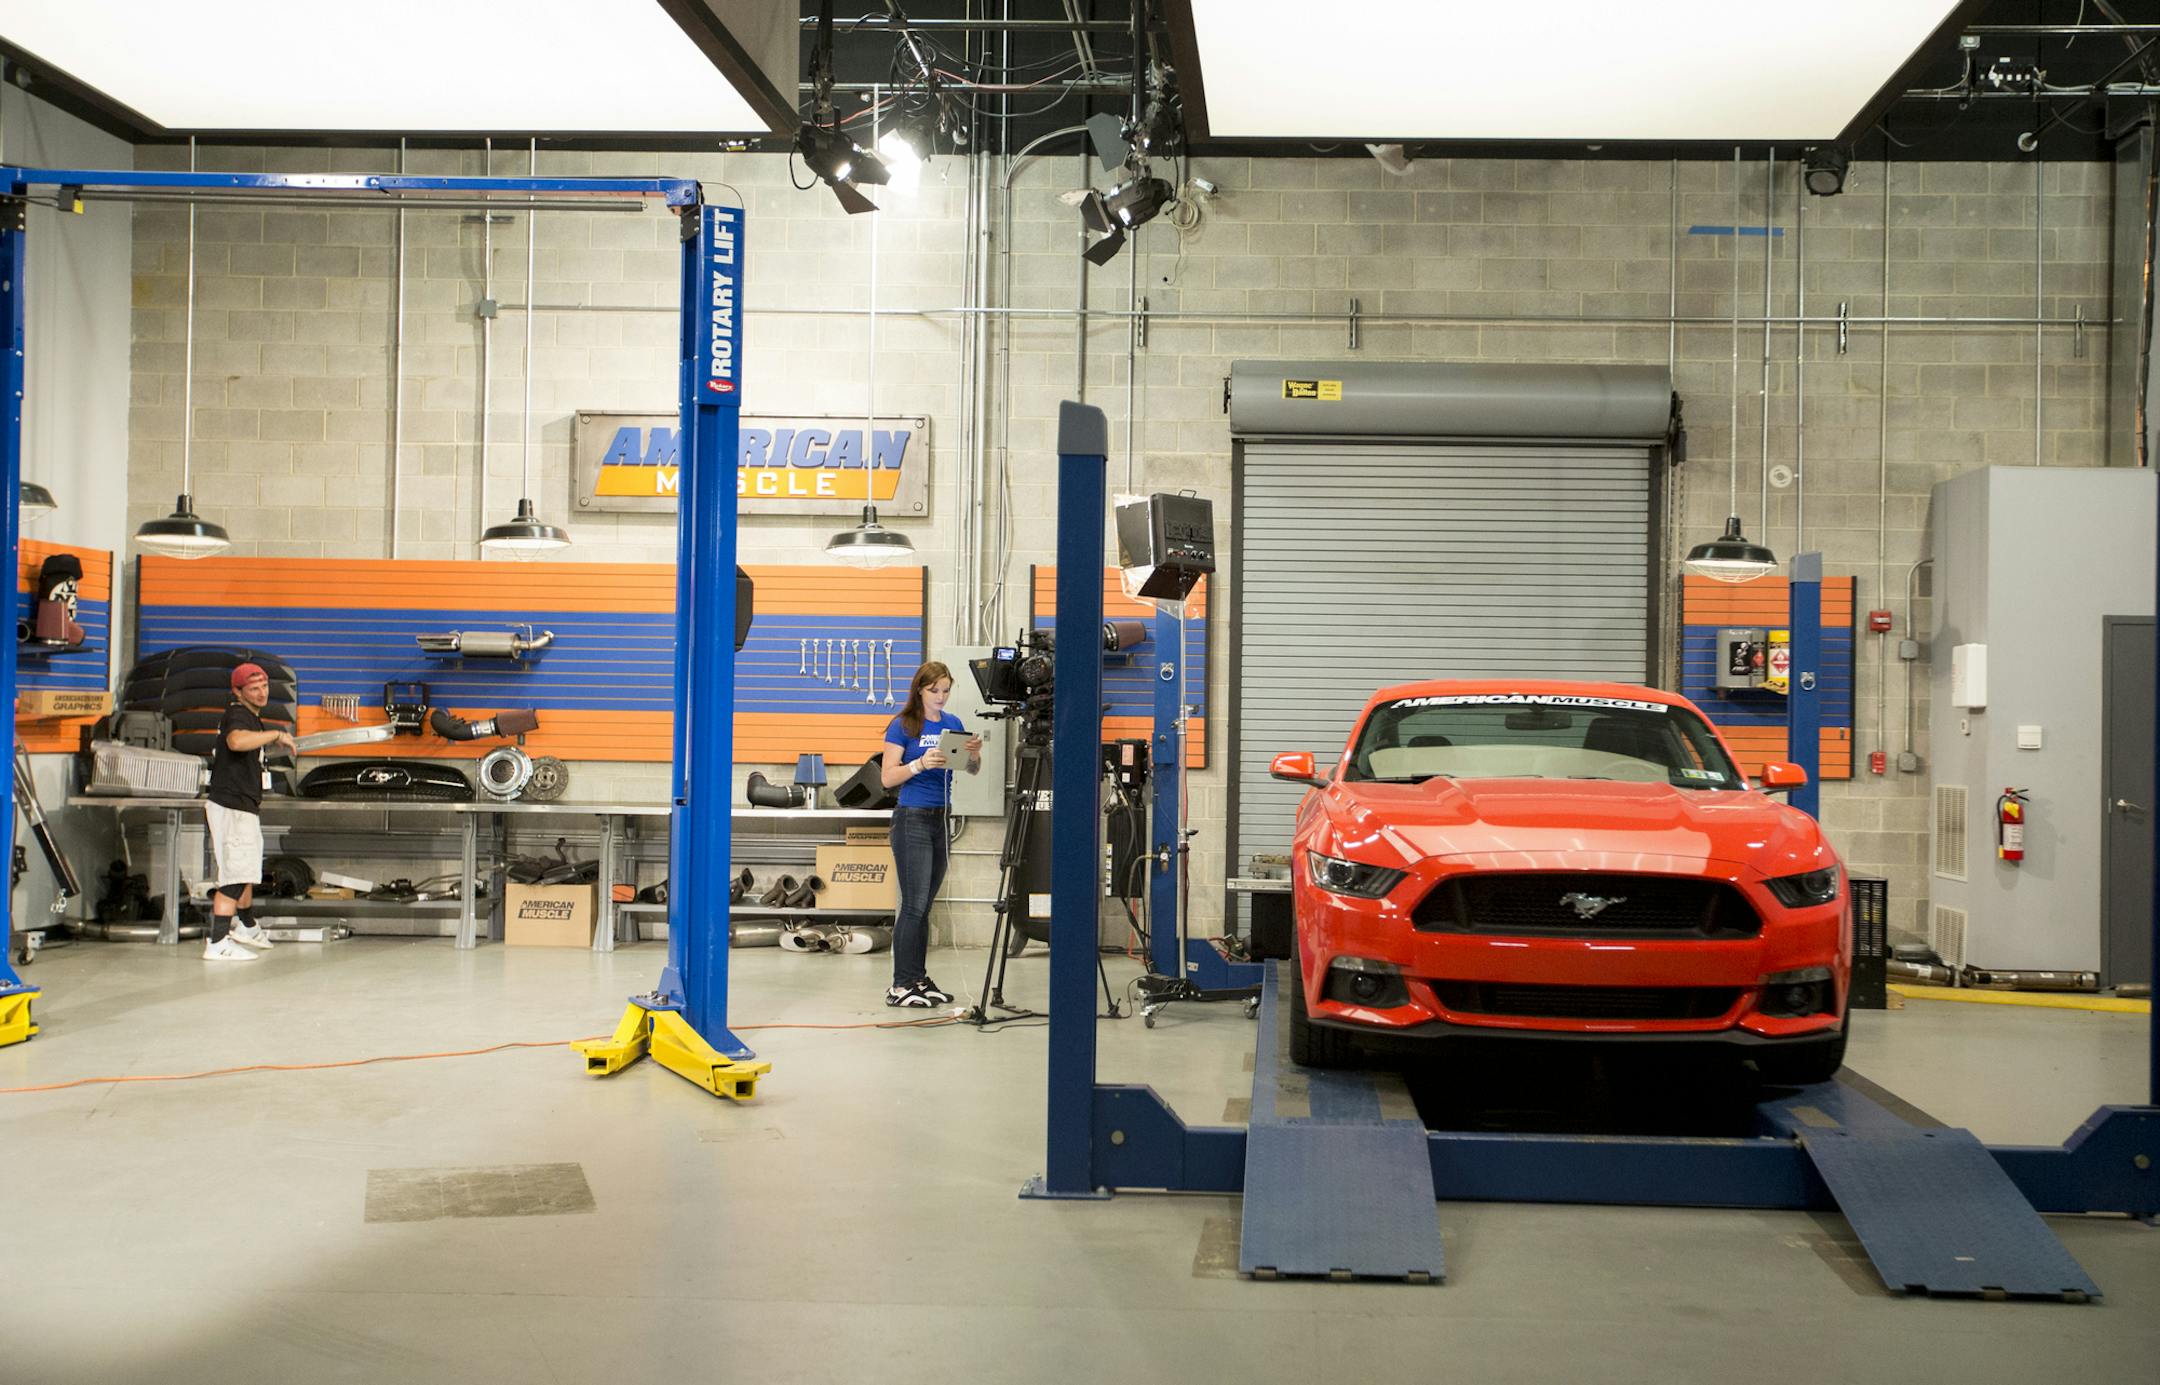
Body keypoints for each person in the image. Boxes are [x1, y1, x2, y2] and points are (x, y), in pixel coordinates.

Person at [879, 660, 981, 1008]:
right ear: (920, 690)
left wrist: (973, 756)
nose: (941, 696)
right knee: (913, 905)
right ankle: (900, 984)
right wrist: (920, 763)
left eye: (946, 690)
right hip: (912, 819)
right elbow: (887, 778)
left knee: (924, 907)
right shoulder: (903, 725)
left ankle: (917, 978)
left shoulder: (953, 724)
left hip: (940, 819)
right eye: (934, 690)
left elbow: (969, 769)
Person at [202, 662, 294, 961]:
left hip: (242, 805)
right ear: (237, 691)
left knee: (246, 870)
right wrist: (275, 735)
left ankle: (246, 925)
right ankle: (216, 943)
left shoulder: (252, 718)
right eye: (253, 688)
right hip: (232, 806)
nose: (261, 693)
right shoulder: (238, 714)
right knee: (234, 876)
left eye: (264, 686)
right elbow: (236, 741)